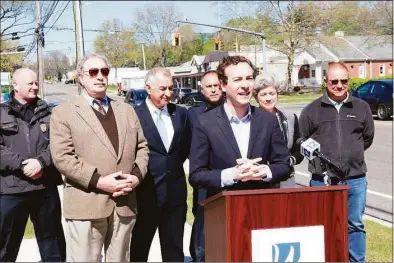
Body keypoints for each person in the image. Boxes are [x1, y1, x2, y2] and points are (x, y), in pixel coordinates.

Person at [50, 53, 149, 262]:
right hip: (86, 204)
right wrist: (99, 181)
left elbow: (142, 147)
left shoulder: (126, 110)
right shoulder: (63, 112)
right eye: (93, 72)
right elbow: (63, 157)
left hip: (124, 203)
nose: (100, 76)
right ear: (80, 77)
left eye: (104, 71)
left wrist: (137, 176)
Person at [299, 62, 374, 262]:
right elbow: (302, 139)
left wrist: (351, 155)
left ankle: (356, 260)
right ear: (326, 82)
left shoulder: (362, 107)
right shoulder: (311, 110)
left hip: (355, 179)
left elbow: (367, 138)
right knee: (322, 224)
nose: (339, 85)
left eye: (343, 81)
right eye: (334, 81)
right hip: (322, 180)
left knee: (355, 225)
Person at [189, 55, 291, 202]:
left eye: (249, 78)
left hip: (261, 206)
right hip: (223, 209)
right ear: (223, 85)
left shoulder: (268, 120)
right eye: (237, 80)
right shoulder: (205, 123)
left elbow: (284, 165)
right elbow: (196, 175)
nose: (245, 85)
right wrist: (232, 175)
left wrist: (264, 171)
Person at [0, 68, 66, 262]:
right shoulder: (2, 113)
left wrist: (41, 162)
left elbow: (60, 144)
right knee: (5, 246)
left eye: (36, 83)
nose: (35, 87)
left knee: (52, 244)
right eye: (30, 83)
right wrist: (22, 165)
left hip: (45, 187)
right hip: (11, 190)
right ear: (15, 85)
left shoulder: (51, 113)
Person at [129, 67, 191, 262]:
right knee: (139, 250)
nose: (168, 93)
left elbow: (183, 150)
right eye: (163, 88)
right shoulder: (134, 116)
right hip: (145, 195)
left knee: (174, 252)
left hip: (175, 196)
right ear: (148, 88)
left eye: (171, 88)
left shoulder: (181, 114)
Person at [187, 70, 224, 262]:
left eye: (217, 85)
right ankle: (199, 257)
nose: (214, 90)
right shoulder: (193, 115)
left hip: (228, 176)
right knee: (202, 221)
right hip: (203, 178)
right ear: (202, 90)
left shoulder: (231, 110)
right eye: (209, 86)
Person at [253, 73, 304, 188]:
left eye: (272, 93)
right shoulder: (250, 120)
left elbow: (298, 149)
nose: (268, 98)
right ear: (256, 97)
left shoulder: (290, 118)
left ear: (277, 94)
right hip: (259, 180)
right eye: (263, 94)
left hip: (286, 178)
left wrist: (290, 161)